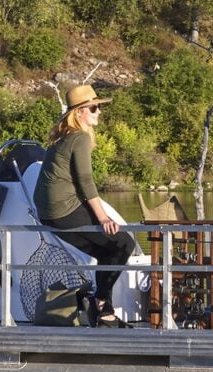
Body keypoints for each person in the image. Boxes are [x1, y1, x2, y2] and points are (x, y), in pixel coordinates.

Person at [35, 83, 137, 327]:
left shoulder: (64, 137)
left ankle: (104, 311)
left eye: (98, 107)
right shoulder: (79, 137)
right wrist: (103, 217)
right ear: (79, 112)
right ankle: (101, 302)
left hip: (49, 213)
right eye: (93, 108)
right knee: (124, 243)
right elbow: (85, 180)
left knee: (108, 250)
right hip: (63, 208)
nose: (98, 112)